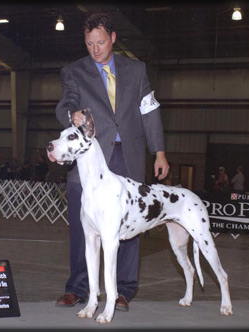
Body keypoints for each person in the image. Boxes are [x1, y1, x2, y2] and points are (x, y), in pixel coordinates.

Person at [54, 12, 169, 312]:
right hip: (91, 159)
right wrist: (72, 115)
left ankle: (122, 291)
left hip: (127, 154)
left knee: (130, 225)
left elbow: (149, 111)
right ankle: (79, 289)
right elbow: (65, 103)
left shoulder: (137, 70)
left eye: (101, 42)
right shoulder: (74, 71)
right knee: (84, 228)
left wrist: (159, 151)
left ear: (113, 38)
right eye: (90, 43)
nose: (95, 49)